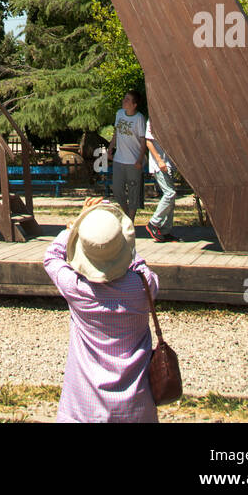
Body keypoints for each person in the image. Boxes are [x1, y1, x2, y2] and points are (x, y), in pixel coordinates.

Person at [43, 198, 159, 423]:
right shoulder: (143, 287)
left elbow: (52, 256)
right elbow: (138, 263)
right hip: (136, 406)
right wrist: (114, 232)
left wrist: (77, 224)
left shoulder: (77, 288)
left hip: (85, 408)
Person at [108, 91, 147, 222]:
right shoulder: (119, 114)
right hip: (119, 159)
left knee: (133, 191)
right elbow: (116, 133)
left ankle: (131, 219)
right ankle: (126, 215)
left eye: (128, 99)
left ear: (134, 104)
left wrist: (140, 160)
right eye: (124, 98)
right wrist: (110, 148)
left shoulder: (139, 118)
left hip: (133, 161)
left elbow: (143, 140)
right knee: (118, 189)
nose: (124, 101)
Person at [145, 121, 178, 243]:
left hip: (169, 164)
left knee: (171, 199)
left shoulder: (169, 116)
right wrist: (159, 160)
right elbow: (148, 141)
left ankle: (165, 231)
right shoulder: (153, 119)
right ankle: (154, 223)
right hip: (160, 165)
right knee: (170, 193)